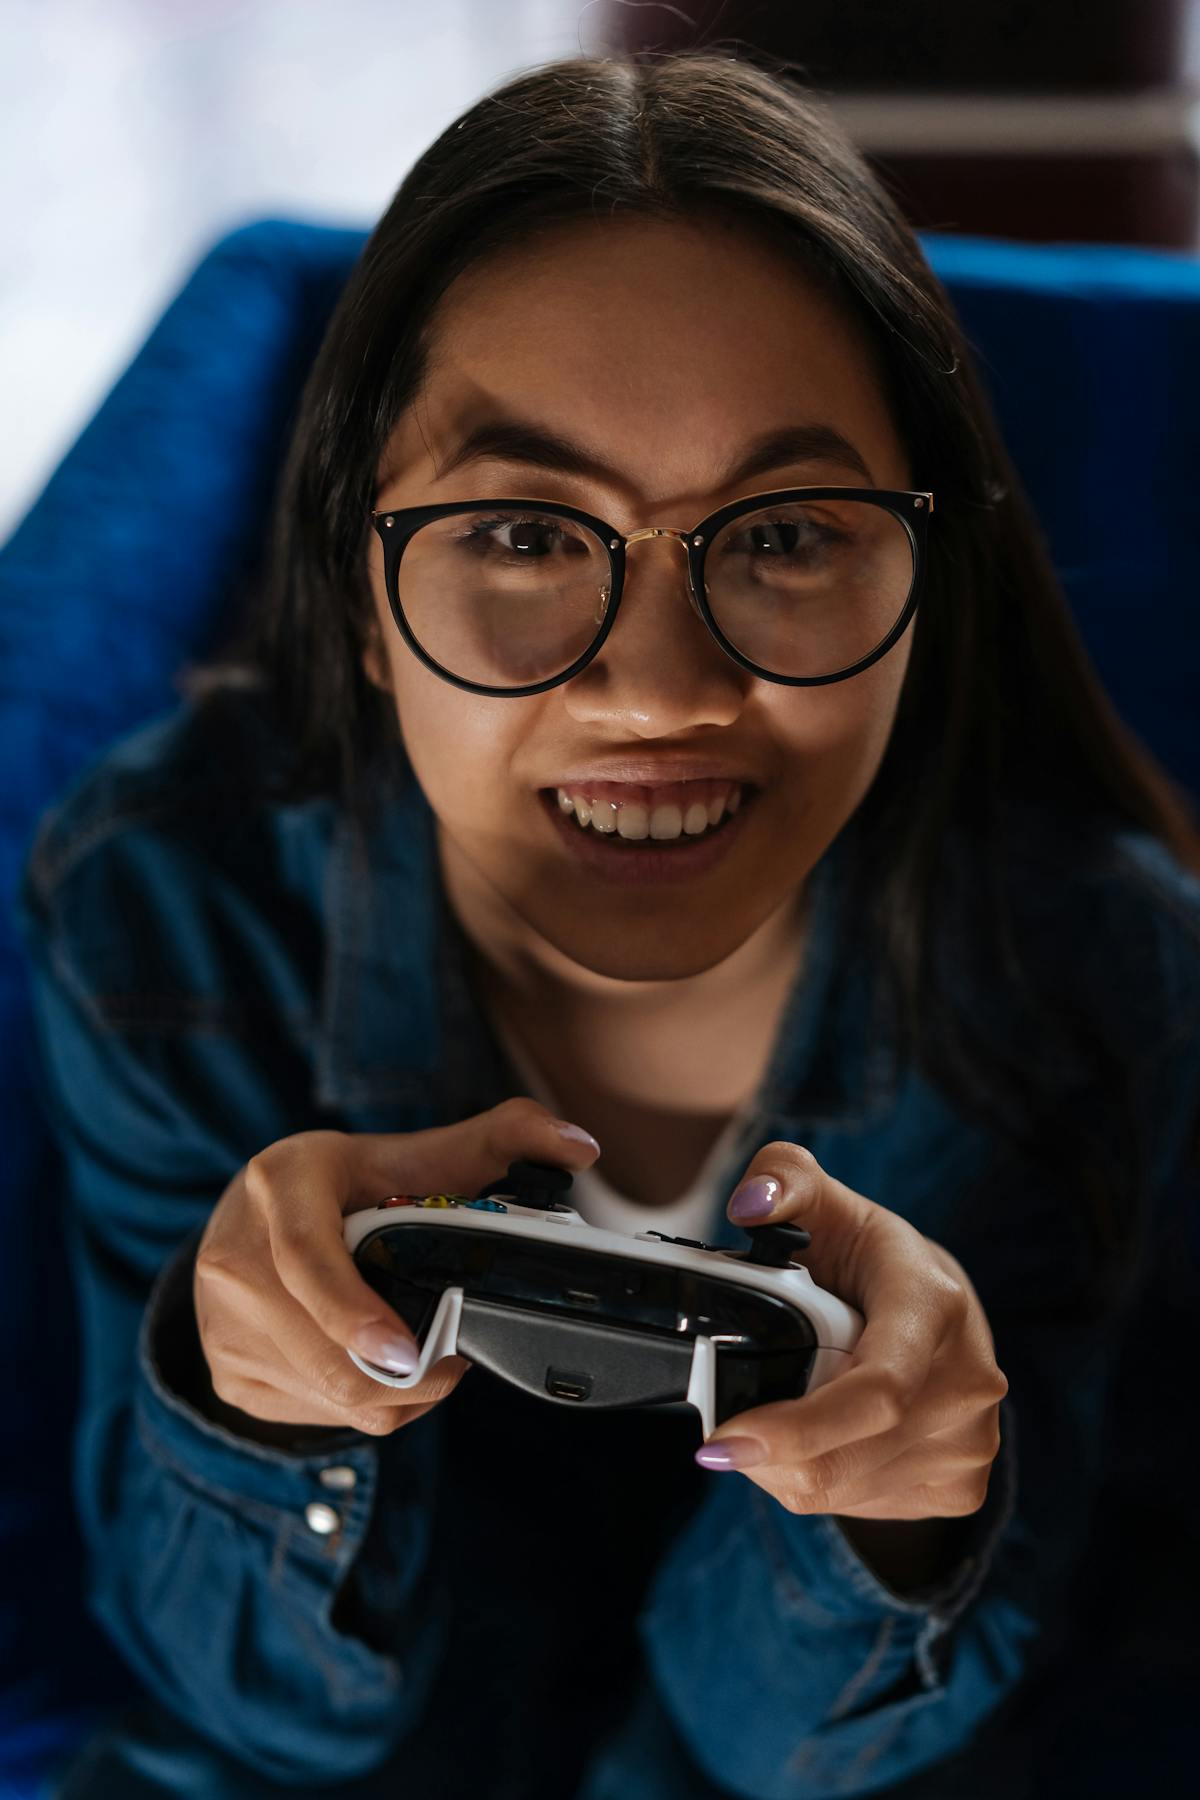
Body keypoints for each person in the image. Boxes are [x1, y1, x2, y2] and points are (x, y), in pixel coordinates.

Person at [15, 46, 1200, 1800]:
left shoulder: (1090, 967)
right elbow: (268, 1712)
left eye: (787, 532)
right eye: (517, 530)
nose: (659, 689)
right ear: (355, 594)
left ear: (928, 587)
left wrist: (899, 1512)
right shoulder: (170, 908)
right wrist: (253, 1402)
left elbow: (790, 1746)